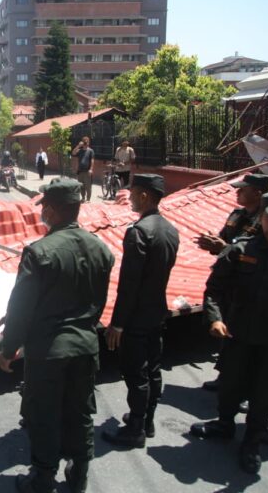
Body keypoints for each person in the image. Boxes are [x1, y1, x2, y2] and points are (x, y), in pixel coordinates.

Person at [0, 178, 113, 493]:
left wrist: (9, 349)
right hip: (85, 346)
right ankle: (79, 476)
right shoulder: (101, 249)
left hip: (48, 351)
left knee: (44, 414)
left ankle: (43, 477)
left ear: (50, 210)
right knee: (81, 412)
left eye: (44, 208)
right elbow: (100, 302)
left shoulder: (39, 252)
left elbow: (20, 308)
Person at [189, 191, 268, 473]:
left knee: (264, 395)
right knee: (231, 386)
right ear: (262, 218)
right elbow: (214, 289)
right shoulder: (241, 250)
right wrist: (214, 319)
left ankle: (252, 443)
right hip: (238, 336)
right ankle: (224, 424)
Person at [103, 174, 179, 448]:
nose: (130, 198)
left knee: (136, 373)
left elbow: (129, 285)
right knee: (154, 369)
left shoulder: (139, 232)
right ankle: (147, 420)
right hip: (157, 311)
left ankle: (135, 428)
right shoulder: (170, 229)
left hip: (136, 316)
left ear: (144, 196)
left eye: (133, 193)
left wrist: (117, 324)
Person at [194, 173, 268, 395]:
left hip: (251, 286)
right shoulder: (237, 214)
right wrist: (213, 244)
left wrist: (224, 248)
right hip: (228, 283)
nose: (237, 192)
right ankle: (226, 376)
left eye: (243, 189)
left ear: (257, 193)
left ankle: (248, 388)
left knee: (248, 340)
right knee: (228, 333)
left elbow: (259, 254)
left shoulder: (267, 221)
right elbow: (225, 241)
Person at [72, 137, 94, 203]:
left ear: (88, 142)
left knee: (88, 186)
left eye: (87, 141)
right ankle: (83, 198)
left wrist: (91, 169)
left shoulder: (90, 151)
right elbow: (73, 153)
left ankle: (88, 199)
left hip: (87, 171)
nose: (86, 143)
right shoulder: (80, 150)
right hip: (80, 171)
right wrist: (78, 146)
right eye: (84, 141)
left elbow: (92, 160)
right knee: (81, 186)